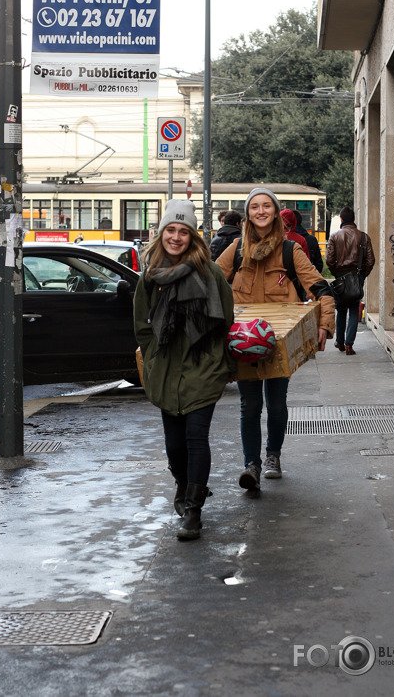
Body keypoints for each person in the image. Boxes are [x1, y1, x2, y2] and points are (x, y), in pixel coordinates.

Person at [216, 188, 335, 491]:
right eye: (254, 206)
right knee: (249, 405)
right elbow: (210, 281)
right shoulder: (237, 249)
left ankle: (273, 455)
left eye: (266, 206)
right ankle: (251, 465)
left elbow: (320, 288)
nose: (260, 211)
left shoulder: (289, 251)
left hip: (281, 342)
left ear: (275, 211)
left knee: (277, 404)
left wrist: (325, 324)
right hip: (243, 341)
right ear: (248, 214)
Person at [134, 199, 235, 540]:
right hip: (164, 370)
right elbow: (141, 324)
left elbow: (226, 322)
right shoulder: (150, 277)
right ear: (161, 233)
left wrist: (215, 361)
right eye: (171, 230)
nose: (176, 237)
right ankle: (183, 485)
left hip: (202, 367)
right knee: (174, 445)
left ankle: (193, 510)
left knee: (196, 438)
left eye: (184, 231)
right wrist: (152, 358)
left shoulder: (212, 273)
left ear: (193, 237)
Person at [325, 206, 375, 356]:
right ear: (354, 219)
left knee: (340, 309)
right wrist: (362, 275)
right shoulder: (364, 237)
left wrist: (337, 273)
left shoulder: (334, 236)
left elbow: (329, 260)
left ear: (341, 219)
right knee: (354, 310)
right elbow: (370, 260)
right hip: (357, 276)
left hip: (340, 277)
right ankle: (349, 345)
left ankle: (339, 341)